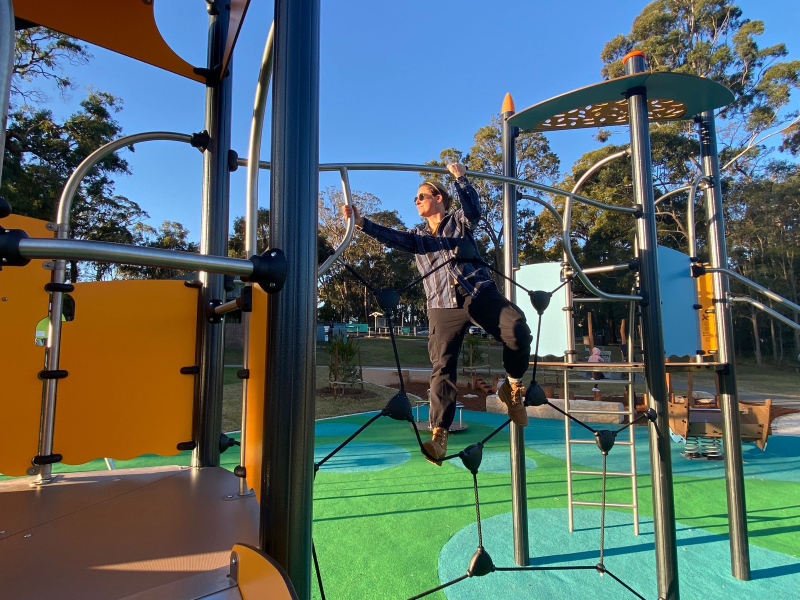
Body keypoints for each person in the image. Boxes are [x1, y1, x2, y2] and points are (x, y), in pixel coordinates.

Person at [342, 163, 532, 465]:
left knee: (518, 329)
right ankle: (439, 434)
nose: (416, 201)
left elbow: (474, 211)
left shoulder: (458, 221)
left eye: (422, 196)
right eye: (415, 198)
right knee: (442, 367)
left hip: (478, 292)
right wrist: (362, 221)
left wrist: (460, 178)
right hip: (442, 306)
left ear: (440, 197)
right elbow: (393, 238)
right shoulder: (418, 236)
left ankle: (513, 387)